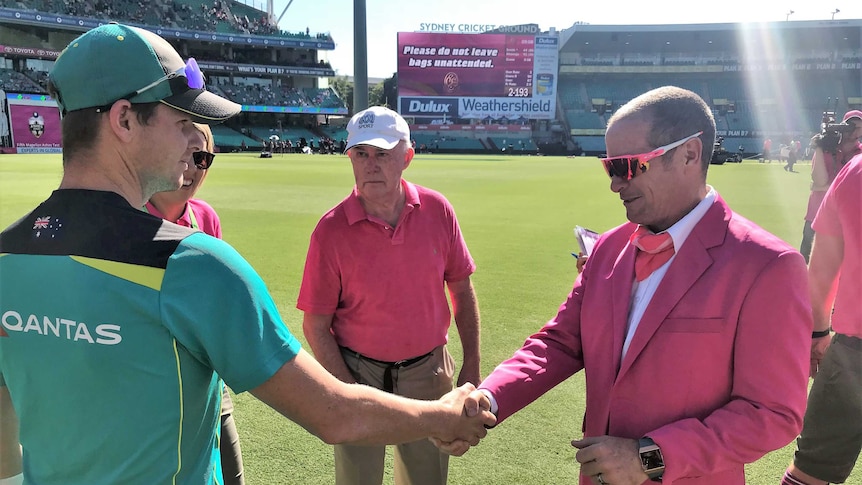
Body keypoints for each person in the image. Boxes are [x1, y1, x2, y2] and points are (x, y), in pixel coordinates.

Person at [0, 24, 494, 485]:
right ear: (125, 119)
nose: (195, 140)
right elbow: (334, 414)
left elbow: (6, 432)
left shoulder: (6, 256)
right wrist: (445, 413)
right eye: (182, 119)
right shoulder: (194, 265)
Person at [438, 86, 812, 484]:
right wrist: (488, 396)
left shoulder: (768, 266)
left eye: (628, 166)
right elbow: (561, 342)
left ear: (689, 154)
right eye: (609, 167)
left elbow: (772, 413)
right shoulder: (610, 247)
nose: (615, 184)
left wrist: (650, 457)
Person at [297, 106, 481, 485]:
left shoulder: (437, 210)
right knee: (357, 481)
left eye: (382, 154)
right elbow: (316, 324)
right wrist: (347, 390)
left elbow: (461, 287)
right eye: (360, 154)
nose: (370, 165)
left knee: (425, 479)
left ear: (407, 157)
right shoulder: (330, 231)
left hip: (427, 374)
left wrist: (472, 364)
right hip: (357, 373)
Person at [145, 123, 245, 485]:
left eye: (201, 157)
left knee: (231, 474)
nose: (190, 166)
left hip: (208, 385)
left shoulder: (205, 217)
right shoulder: (126, 219)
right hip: (151, 391)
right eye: (182, 153)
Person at [779, 152, 862, 485]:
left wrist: (817, 333)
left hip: (853, 355)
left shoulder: (854, 171)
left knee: (809, 472)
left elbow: (822, 274)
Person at [798, 110, 862, 263]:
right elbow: (819, 181)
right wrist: (818, 148)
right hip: (816, 216)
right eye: (850, 126)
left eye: (859, 127)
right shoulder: (826, 147)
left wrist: (823, 188)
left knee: (838, 272)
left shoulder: (859, 153)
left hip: (844, 221)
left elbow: (850, 188)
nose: (853, 132)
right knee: (806, 265)